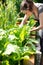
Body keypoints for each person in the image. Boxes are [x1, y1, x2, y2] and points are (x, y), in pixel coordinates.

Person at [20, 0, 43, 65]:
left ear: (29, 9)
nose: (26, 15)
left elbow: (41, 26)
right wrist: (19, 30)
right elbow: (23, 21)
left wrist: (30, 30)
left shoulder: (41, 8)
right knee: (41, 42)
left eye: (26, 13)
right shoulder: (31, 9)